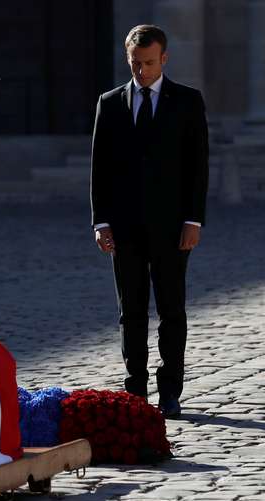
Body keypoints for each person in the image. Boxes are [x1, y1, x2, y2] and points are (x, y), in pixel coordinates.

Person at [90, 24, 208, 419]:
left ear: (165, 59)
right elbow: (100, 169)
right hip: (124, 228)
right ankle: (135, 390)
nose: (141, 71)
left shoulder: (188, 102)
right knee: (132, 311)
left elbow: (198, 166)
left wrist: (194, 220)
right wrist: (100, 221)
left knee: (172, 310)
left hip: (173, 227)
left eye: (149, 63)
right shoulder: (109, 103)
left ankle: (170, 390)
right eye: (135, 63)